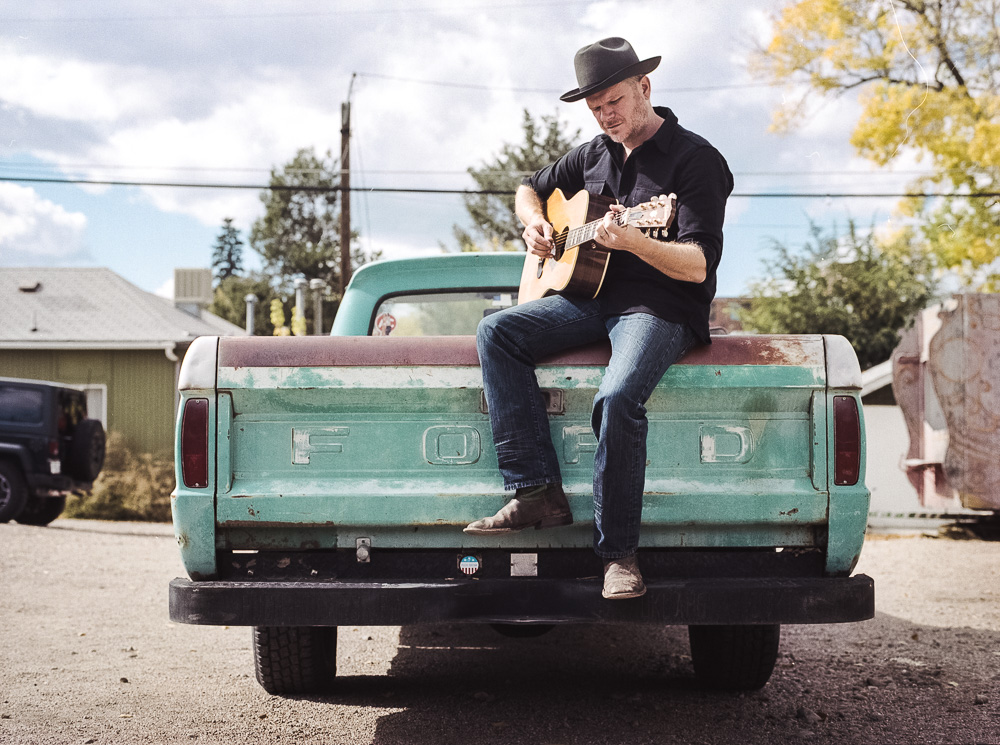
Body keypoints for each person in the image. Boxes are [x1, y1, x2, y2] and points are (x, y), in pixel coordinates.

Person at [464, 37, 734, 600]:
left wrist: (635, 241)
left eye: (613, 102)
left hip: (657, 307)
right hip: (588, 299)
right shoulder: (591, 154)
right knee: (498, 331)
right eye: (595, 109)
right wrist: (535, 225)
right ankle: (536, 491)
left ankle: (618, 556)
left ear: (645, 87)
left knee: (615, 400)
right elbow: (526, 189)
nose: (606, 116)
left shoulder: (696, 160)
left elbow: (698, 264)